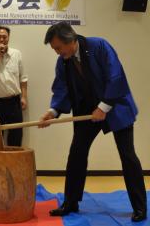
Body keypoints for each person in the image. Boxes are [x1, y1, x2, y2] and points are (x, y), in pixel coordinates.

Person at [39, 22, 147, 222]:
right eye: (54, 49)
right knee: (77, 153)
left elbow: (116, 77)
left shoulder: (99, 46)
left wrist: (103, 107)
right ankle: (71, 202)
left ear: (70, 40)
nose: (57, 52)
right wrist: (53, 111)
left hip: (115, 106)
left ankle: (140, 207)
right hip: (87, 112)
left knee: (128, 156)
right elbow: (62, 88)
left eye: (58, 48)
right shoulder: (63, 61)